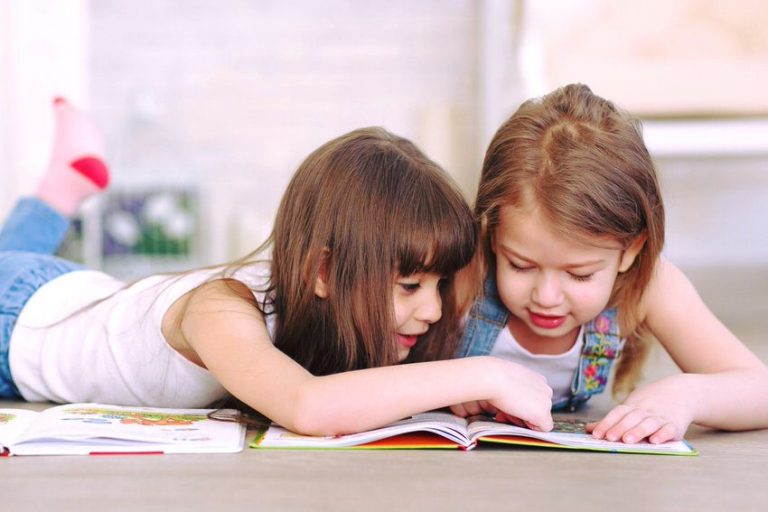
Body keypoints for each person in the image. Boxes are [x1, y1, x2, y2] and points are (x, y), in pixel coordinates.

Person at [0, 98, 554, 436]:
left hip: (70, 294)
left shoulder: (319, 302)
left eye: (437, 285)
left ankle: (62, 187)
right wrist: (483, 373)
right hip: (13, 324)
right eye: (409, 285)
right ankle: (59, 189)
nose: (433, 310)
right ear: (322, 271)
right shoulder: (220, 310)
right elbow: (307, 406)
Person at [453, 84, 768, 444]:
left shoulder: (649, 285)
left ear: (630, 251)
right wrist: (449, 382)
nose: (547, 296)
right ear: (492, 234)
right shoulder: (467, 270)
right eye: (521, 266)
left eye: (580, 274)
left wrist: (687, 395)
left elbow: (760, 391)